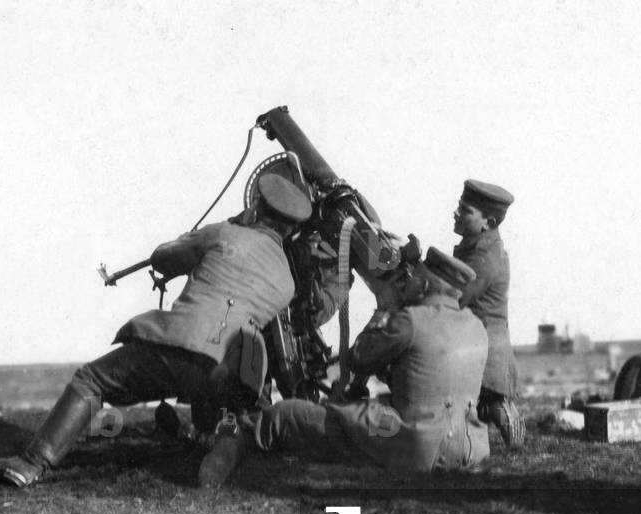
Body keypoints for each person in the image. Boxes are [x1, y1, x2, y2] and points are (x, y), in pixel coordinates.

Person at [0, 173, 313, 487]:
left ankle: (32, 463)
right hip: (233, 369)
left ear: (254, 207)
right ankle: (224, 446)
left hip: (183, 345)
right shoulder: (286, 280)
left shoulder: (224, 233)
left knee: (92, 380)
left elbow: (163, 258)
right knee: (233, 414)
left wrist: (196, 239)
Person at [198, 247, 491, 486]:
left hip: (411, 447)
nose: (409, 282)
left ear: (425, 285)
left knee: (286, 414)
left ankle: (232, 441)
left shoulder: (411, 320)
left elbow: (362, 356)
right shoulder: (476, 327)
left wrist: (384, 309)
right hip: (469, 451)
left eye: (415, 279)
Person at [452, 179, 525, 448]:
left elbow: (453, 297)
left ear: (488, 222)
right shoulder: (478, 248)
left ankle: (510, 429)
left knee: (493, 406)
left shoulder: (483, 258)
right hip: (480, 347)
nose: (457, 213)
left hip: (484, 354)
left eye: (465, 209)